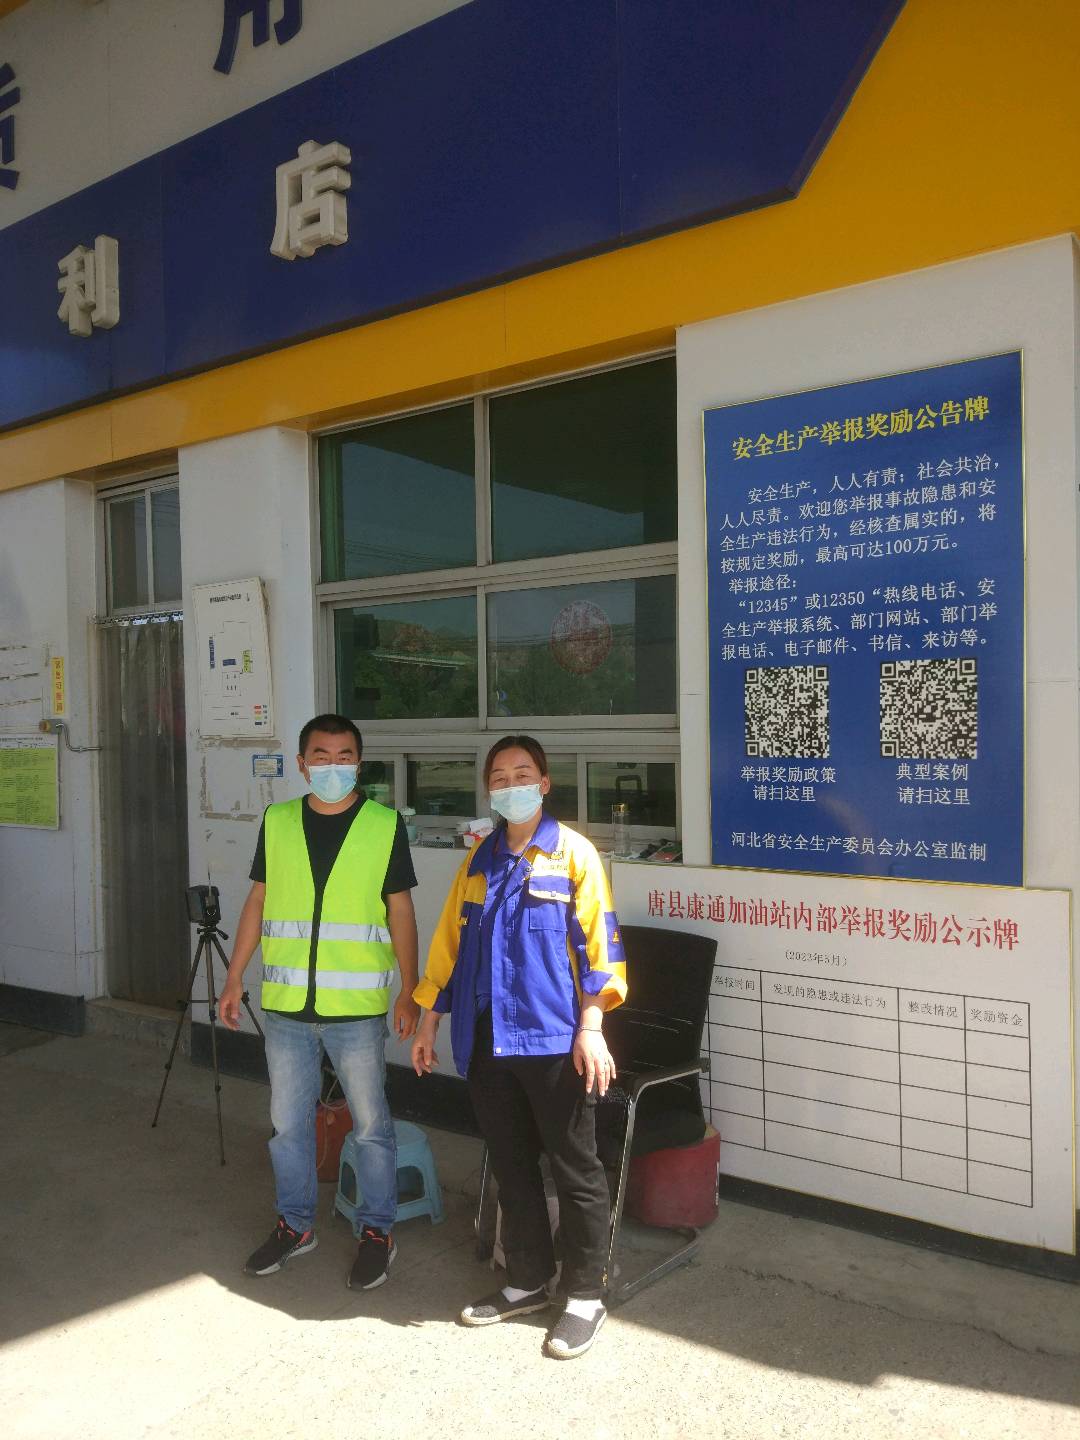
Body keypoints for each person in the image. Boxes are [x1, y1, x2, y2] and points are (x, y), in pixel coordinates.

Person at [411, 735, 626, 1360]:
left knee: (576, 1168)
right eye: (500, 777)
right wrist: (428, 1022)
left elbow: (600, 947)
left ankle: (585, 1295)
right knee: (510, 1164)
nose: (512, 786)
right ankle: (528, 1279)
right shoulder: (478, 862)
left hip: (555, 1038)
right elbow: (449, 948)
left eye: (523, 773)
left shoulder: (574, 854)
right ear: (489, 790)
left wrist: (592, 1026)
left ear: (545, 782)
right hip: (488, 1039)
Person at [220, 713, 419, 1290]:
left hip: (355, 1009)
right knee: (287, 1126)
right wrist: (234, 976)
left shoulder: (383, 825)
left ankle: (377, 1231)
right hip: (286, 1007)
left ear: (359, 763)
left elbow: (400, 909)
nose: (333, 766)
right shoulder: (278, 820)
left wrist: (410, 989)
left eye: (344, 756)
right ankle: (295, 1224)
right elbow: (258, 900)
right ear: (302, 763)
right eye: (321, 756)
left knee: (371, 1126)